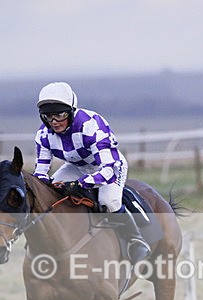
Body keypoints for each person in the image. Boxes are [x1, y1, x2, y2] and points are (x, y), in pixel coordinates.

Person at [33, 81, 150, 264]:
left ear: (71, 112)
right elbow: (40, 173)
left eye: (60, 115)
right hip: (76, 166)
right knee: (52, 195)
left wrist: (80, 184)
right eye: (48, 117)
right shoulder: (43, 135)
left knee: (108, 201)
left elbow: (108, 171)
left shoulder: (91, 125)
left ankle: (136, 240)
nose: (54, 122)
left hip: (109, 166)